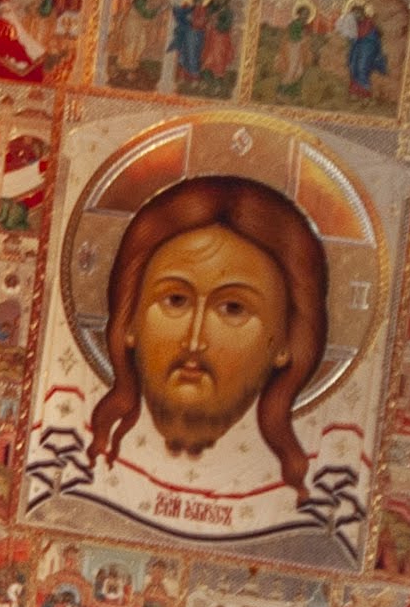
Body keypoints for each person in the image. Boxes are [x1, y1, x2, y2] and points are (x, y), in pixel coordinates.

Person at [87, 175, 330, 490]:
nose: (194, 340)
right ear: (129, 320)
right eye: (175, 300)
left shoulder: (324, 477)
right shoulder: (68, 445)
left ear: (287, 340)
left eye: (233, 308)